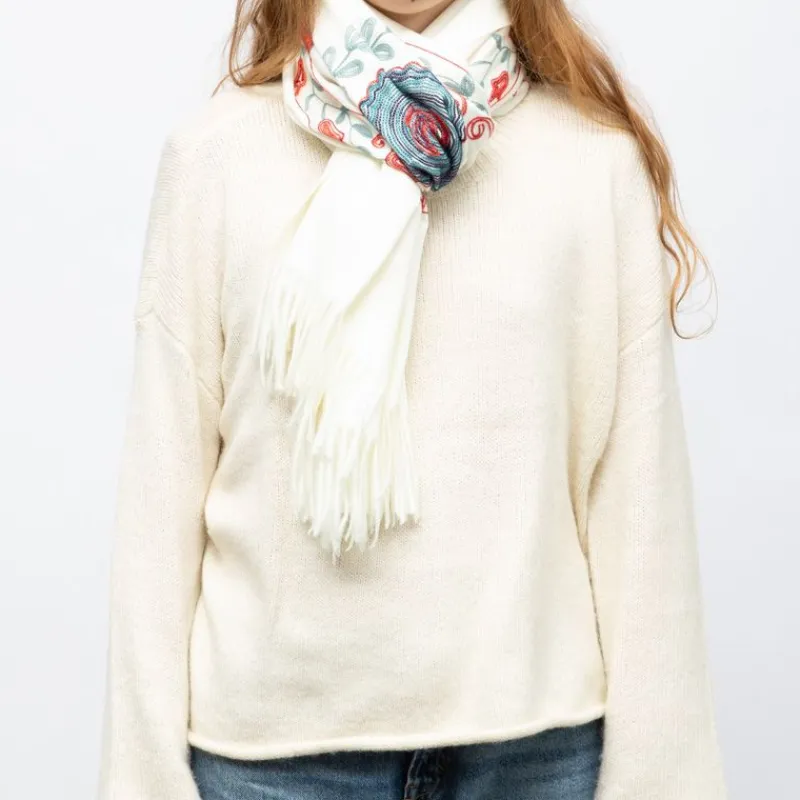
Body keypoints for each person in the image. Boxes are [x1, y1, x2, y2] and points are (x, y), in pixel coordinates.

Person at [97, 0, 728, 798]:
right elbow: (159, 506)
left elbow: (641, 507)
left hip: (535, 761)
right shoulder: (214, 160)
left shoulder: (593, 163)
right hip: (272, 770)